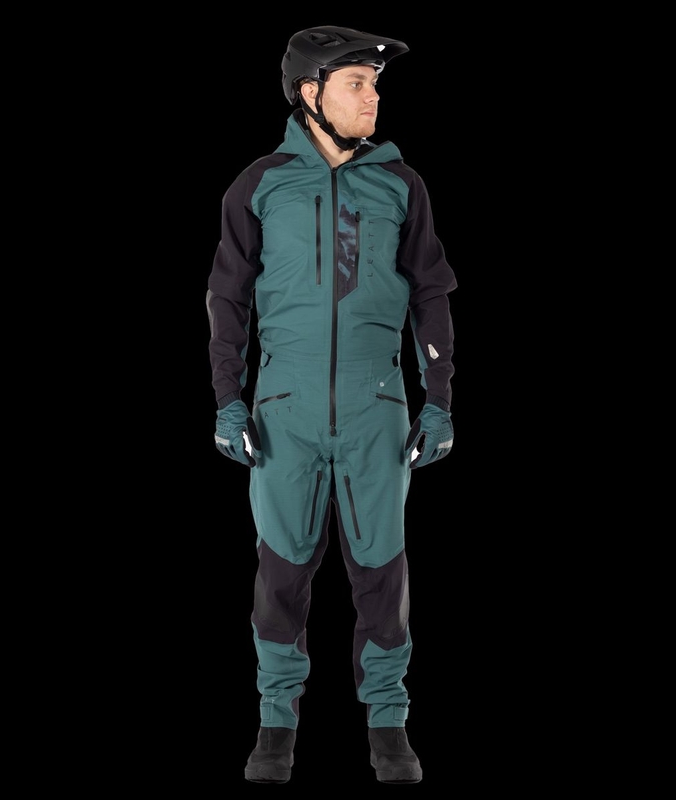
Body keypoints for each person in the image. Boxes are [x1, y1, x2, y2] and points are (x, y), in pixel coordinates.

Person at [207, 24, 457, 784]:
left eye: (375, 85)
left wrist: (438, 399)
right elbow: (228, 297)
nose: (372, 97)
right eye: (357, 84)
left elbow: (432, 293)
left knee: (382, 572)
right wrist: (227, 399)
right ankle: (275, 725)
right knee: (280, 573)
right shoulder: (260, 184)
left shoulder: (402, 185)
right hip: (283, 409)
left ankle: (388, 726)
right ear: (310, 93)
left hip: (377, 407)